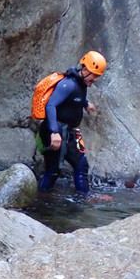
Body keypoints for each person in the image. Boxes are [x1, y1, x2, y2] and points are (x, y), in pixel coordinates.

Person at [36, 50, 106, 194]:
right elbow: (51, 105)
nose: (96, 79)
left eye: (98, 76)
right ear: (85, 69)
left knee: (81, 165)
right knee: (54, 169)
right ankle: (40, 199)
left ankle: (83, 199)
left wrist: (86, 104)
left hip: (68, 132)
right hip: (55, 130)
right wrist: (54, 132)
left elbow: (77, 96)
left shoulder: (81, 83)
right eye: (94, 75)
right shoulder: (67, 84)